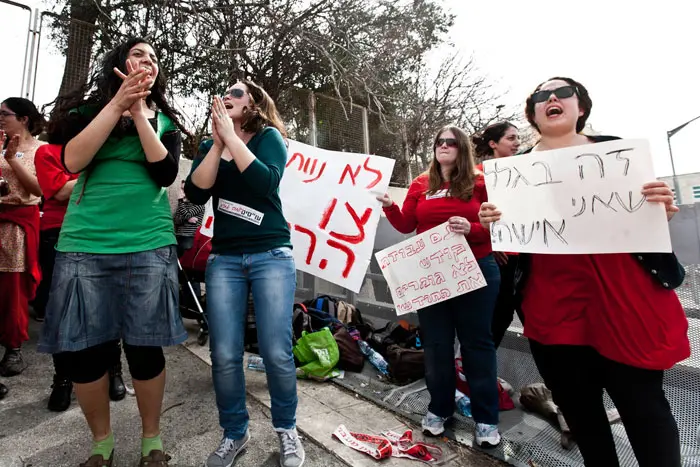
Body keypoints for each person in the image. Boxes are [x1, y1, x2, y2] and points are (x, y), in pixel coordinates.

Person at [478, 76, 689, 467]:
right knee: (581, 416)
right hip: (553, 309)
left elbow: (645, 214)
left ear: (581, 107)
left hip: (625, 302)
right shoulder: (514, 170)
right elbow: (515, 241)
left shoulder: (616, 151)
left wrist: (661, 208)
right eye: (542, 95)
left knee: (645, 410)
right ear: (534, 113)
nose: (552, 98)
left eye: (562, 92)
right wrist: (493, 220)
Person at [38, 37, 188, 467]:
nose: (148, 61)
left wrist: (140, 114)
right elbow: (73, 161)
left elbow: (164, 172)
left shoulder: (164, 122)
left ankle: (151, 442)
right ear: (120, 62)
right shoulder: (85, 113)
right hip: (85, 244)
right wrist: (117, 104)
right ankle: (101, 444)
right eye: (139, 54)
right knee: (85, 352)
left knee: (145, 349)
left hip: (149, 243)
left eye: (156, 58)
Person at [185, 80, 304, 467]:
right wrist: (218, 143)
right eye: (224, 93)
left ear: (254, 102)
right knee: (223, 353)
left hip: (271, 253)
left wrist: (233, 139)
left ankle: (287, 430)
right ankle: (235, 432)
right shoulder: (210, 146)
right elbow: (196, 193)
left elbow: (265, 181)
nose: (227, 97)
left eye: (236, 93)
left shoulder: (269, 137)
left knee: (275, 351)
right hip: (225, 260)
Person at [377, 125, 502, 447]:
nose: (443, 146)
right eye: (439, 142)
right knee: (435, 345)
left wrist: (472, 227)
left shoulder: (481, 182)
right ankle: (439, 409)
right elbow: (406, 224)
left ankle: (486, 419)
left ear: (462, 148)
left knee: (477, 346)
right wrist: (390, 205)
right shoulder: (421, 182)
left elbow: (501, 226)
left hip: (475, 269)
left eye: (451, 142)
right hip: (431, 274)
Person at [33, 127, 126, 412]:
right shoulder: (48, 152)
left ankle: (113, 369)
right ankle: (63, 378)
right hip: (58, 234)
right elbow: (59, 192)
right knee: (60, 311)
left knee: (107, 307)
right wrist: (99, 177)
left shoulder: (103, 148)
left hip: (103, 233)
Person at [0, 97, 45, 389]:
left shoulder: (41, 150)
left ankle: (13, 348)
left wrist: (13, 160)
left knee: (13, 289)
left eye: (5, 114)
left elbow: (39, 189)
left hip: (17, 226)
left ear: (24, 119)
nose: (0, 118)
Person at [472, 121, 523, 347]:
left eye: (518, 138)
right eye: (511, 138)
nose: (517, 143)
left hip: (525, 254)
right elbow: (469, 213)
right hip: (498, 258)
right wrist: (493, 245)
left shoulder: (526, 171)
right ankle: (473, 368)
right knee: (498, 314)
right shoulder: (478, 175)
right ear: (493, 143)